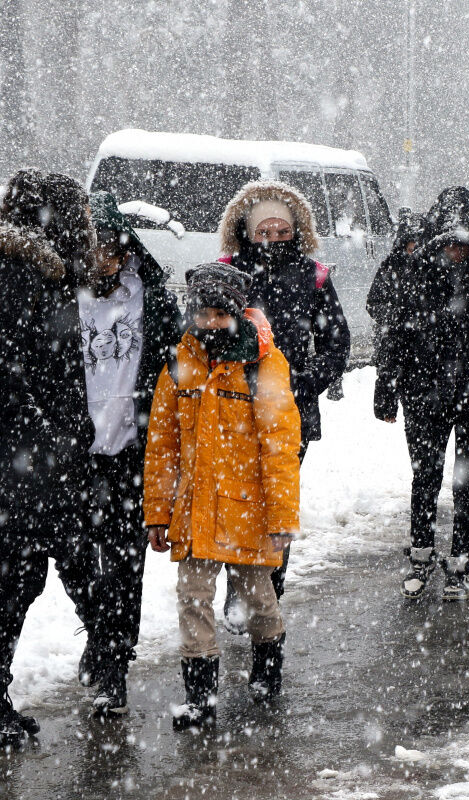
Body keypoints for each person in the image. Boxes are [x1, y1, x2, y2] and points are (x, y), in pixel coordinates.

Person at [144, 263, 301, 730]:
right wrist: (158, 512)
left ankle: (267, 669)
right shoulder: (180, 361)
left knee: (259, 599)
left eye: (219, 313)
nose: (210, 322)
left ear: (235, 312)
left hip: (247, 511)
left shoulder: (264, 364)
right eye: (203, 312)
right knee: (192, 599)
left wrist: (281, 520)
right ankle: (199, 698)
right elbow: (162, 444)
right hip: (194, 512)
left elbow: (280, 447)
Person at [374, 187, 469, 600]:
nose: (456, 250)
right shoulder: (416, 271)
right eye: (449, 242)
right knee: (426, 476)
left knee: (467, 482)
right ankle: (421, 555)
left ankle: (459, 561)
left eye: (463, 242)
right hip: (425, 392)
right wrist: (387, 386)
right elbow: (394, 333)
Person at [216, 181, 350, 620]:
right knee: (237, 499)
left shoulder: (314, 276)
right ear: (247, 231)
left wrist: (303, 383)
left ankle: (270, 587)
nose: (273, 239)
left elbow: (335, 341)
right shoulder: (225, 272)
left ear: (297, 230)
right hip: (232, 407)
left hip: (290, 412)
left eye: (282, 231)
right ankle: (239, 587)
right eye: (263, 231)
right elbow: (200, 335)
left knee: (276, 499)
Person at [74, 192, 183, 717]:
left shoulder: (152, 297)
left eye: (116, 252)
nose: (107, 262)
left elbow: (174, 370)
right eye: (97, 252)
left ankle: (114, 666)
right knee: (72, 560)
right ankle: (99, 631)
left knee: (123, 562)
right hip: (70, 455)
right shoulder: (56, 298)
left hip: (130, 453)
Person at [0, 170, 97, 749]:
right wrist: (48, 437)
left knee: (24, 576)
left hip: (36, 458)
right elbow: (11, 370)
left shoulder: (42, 273)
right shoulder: (20, 274)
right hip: (25, 462)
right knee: (16, 579)